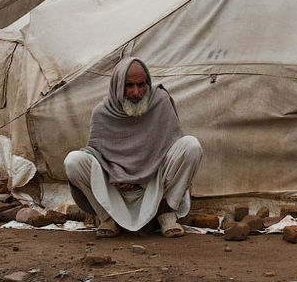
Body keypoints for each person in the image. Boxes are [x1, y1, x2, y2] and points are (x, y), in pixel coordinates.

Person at [64, 57, 203, 238]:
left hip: (154, 182)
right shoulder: (102, 112)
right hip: (116, 188)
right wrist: (117, 175)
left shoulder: (159, 101)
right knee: (73, 161)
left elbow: (170, 145)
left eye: (141, 85)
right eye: (129, 86)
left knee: (191, 146)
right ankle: (107, 218)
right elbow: (96, 153)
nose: (136, 92)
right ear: (118, 85)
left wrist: (140, 177)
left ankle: (166, 212)